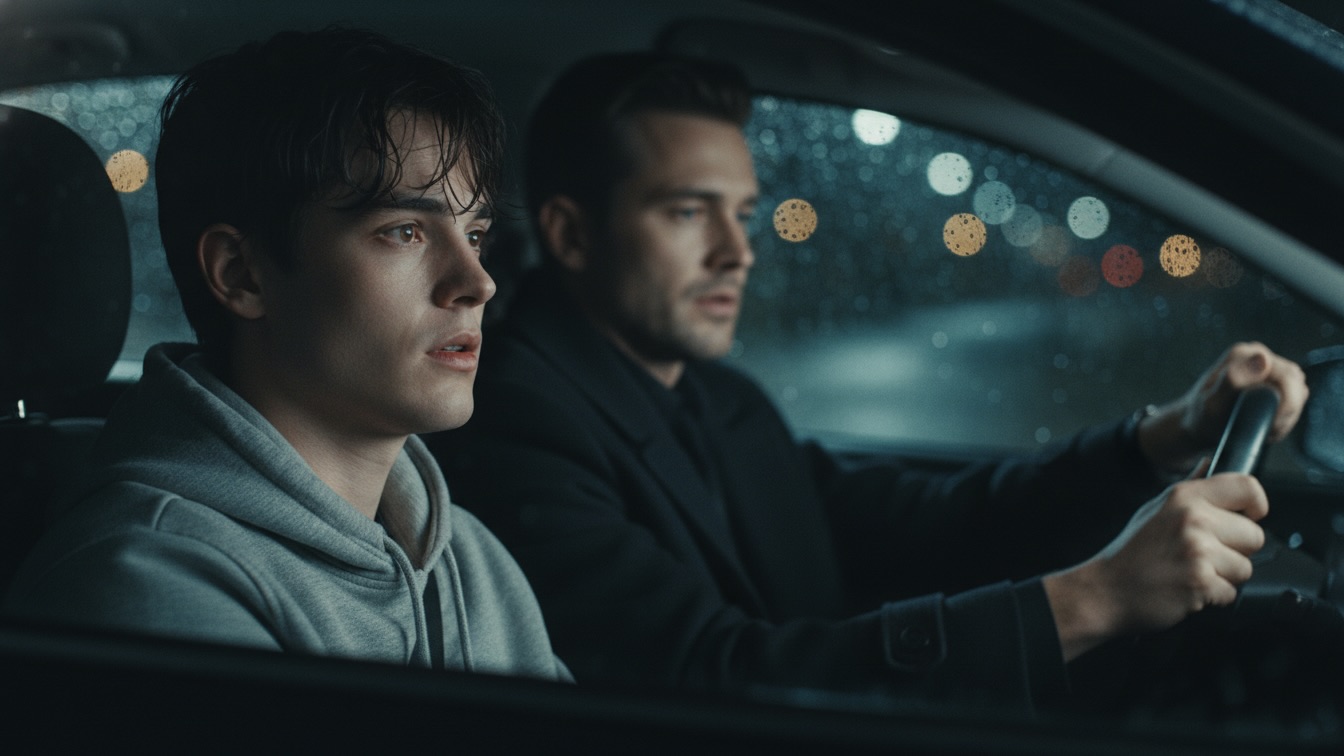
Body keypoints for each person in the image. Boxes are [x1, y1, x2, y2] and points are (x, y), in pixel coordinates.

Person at [425, 52, 1309, 707]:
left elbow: (928, 522)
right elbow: (710, 679)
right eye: (688, 212)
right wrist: (1098, 598)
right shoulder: (506, 423)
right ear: (573, 236)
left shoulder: (713, 396)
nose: (738, 251)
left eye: (741, 214)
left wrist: (1163, 434)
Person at [3, 28, 568, 681]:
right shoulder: (148, 585)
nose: (477, 282)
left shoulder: (471, 559)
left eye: (474, 234)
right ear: (243, 274)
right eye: (404, 231)